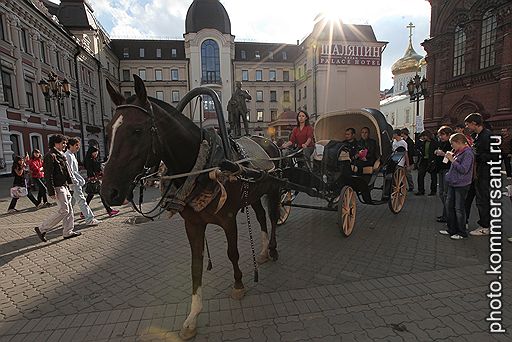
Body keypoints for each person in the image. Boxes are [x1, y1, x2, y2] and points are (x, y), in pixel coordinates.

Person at [34, 134, 81, 241]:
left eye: (65, 142)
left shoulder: (60, 154)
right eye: (62, 143)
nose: (65, 145)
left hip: (64, 186)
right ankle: (41, 229)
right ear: (55, 143)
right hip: (57, 187)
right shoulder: (50, 155)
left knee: (69, 210)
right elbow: (48, 175)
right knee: (64, 210)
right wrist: (51, 191)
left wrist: (70, 183)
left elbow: (66, 171)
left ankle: (68, 232)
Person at [438, 133, 474, 240]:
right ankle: (451, 229)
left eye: (453, 144)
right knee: (450, 206)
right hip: (453, 182)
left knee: (459, 208)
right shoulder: (459, 151)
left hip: (461, 184)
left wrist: (452, 160)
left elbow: (464, 169)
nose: (452, 147)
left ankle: (462, 232)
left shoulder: (468, 153)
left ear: (459, 142)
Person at [465, 113, 494, 236]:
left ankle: (485, 226)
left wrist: (477, 155)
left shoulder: (488, 136)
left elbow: (495, 156)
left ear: (475, 123)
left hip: (484, 173)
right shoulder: (476, 136)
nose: (467, 127)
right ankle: (463, 220)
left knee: (482, 199)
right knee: (468, 197)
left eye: (468, 124)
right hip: (476, 172)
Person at [65, 137, 99, 226]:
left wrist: (80, 180)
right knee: (82, 200)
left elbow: (74, 171)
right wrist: (76, 181)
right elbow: (70, 172)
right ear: (70, 145)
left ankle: (67, 220)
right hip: (74, 183)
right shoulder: (68, 155)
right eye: (76, 145)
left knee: (71, 203)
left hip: (75, 182)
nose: (78, 147)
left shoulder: (71, 155)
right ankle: (89, 219)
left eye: (78, 145)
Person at [84, 146, 119, 217]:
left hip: (94, 180)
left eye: (97, 152)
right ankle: (109, 211)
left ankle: (83, 212)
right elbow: (90, 170)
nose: (96, 154)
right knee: (102, 195)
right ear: (91, 152)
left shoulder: (92, 159)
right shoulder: (89, 160)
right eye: (95, 152)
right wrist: (94, 177)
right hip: (94, 180)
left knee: (90, 196)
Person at [434, 126, 453, 223]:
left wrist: (443, 154)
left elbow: (453, 158)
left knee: (446, 193)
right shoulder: (441, 143)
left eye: (442, 135)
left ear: (449, 135)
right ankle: (445, 214)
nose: (440, 137)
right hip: (441, 169)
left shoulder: (451, 144)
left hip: (447, 170)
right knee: (441, 193)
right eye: (439, 135)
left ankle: (448, 215)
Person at [415, 130, 438, 196]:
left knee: (433, 177)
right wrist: (420, 140)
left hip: (431, 160)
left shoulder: (434, 142)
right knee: (420, 175)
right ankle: (421, 190)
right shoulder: (423, 142)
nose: (423, 138)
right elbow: (416, 147)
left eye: (423, 136)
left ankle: (433, 191)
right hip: (424, 160)